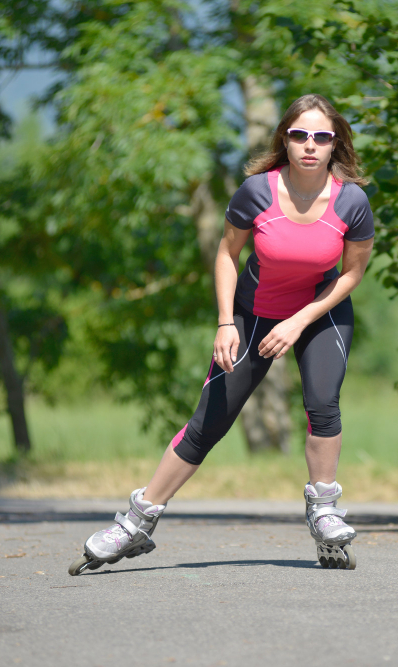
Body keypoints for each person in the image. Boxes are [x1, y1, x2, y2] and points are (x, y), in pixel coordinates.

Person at [69, 94, 374, 575]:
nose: (310, 145)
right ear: (285, 140)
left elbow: (352, 274)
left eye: (321, 136)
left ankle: (324, 509)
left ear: (336, 142)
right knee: (208, 422)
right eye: (299, 135)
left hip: (319, 312)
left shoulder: (351, 202)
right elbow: (226, 255)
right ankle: (136, 522)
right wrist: (226, 323)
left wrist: (298, 321)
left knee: (322, 401)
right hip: (251, 313)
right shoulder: (256, 192)